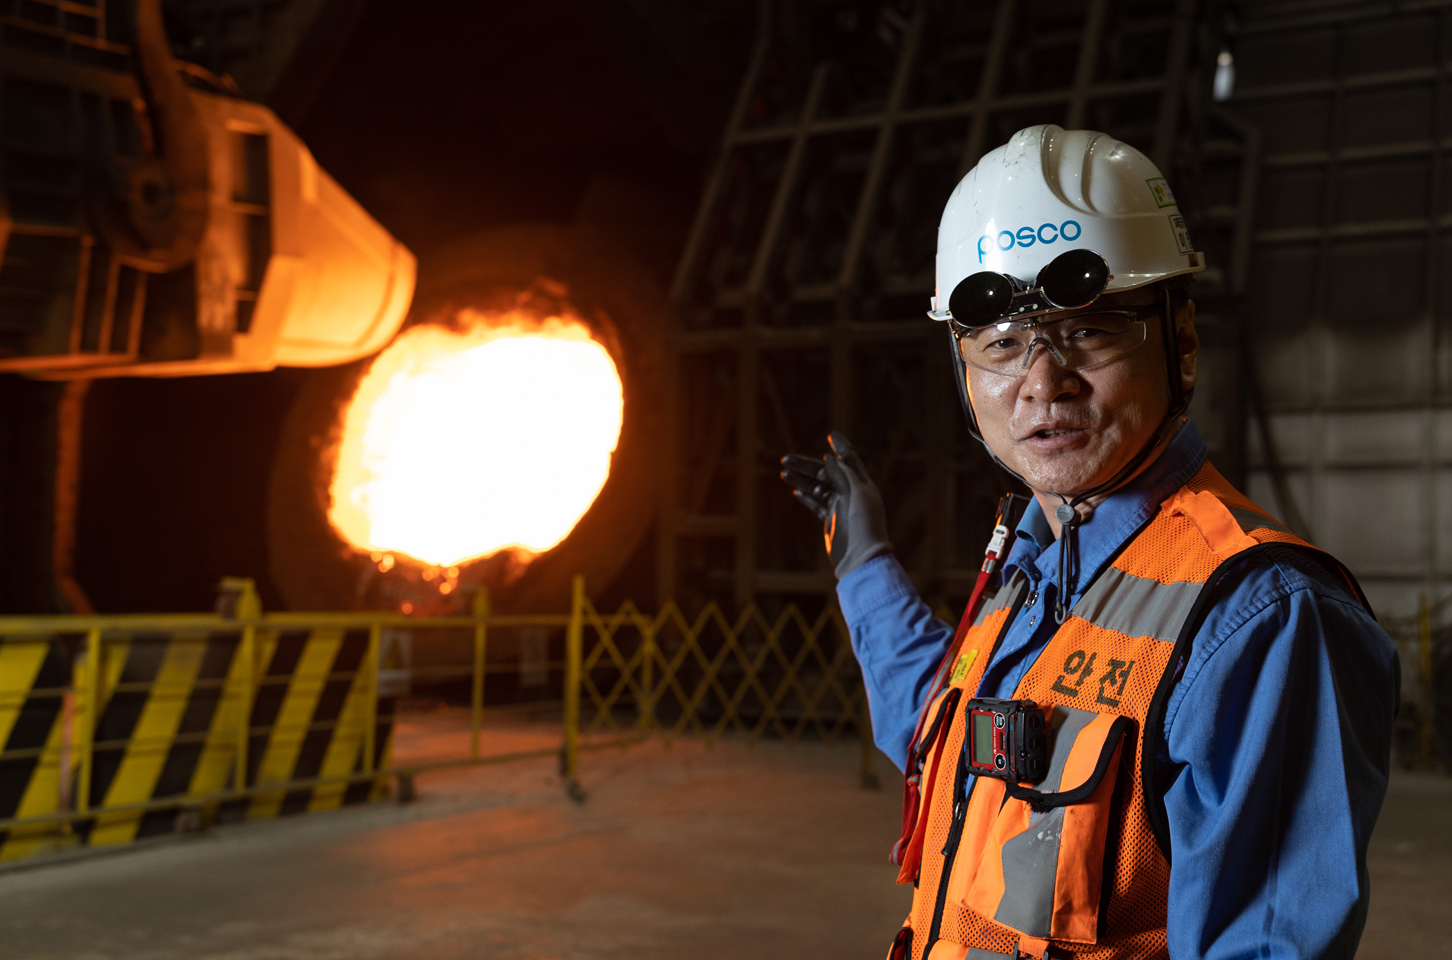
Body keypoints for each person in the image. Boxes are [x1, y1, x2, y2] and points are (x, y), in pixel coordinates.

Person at [780, 125, 1399, 960]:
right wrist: (864, 564)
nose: (1042, 382)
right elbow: (947, 737)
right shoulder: (1036, 559)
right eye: (1000, 344)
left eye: (1090, 331)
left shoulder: (1259, 618)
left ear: (1180, 341)